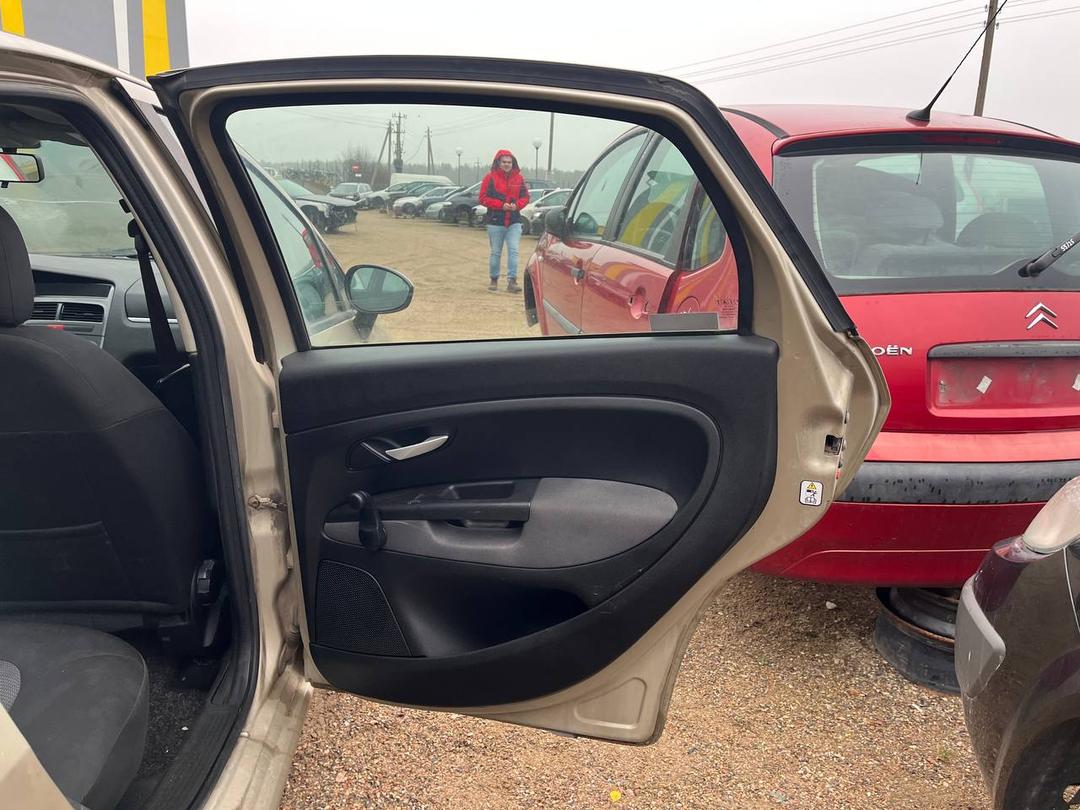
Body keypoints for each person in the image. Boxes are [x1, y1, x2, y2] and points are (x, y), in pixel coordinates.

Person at [478, 149, 530, 293]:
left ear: (513, 163)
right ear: (498, 163)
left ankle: (512, 281)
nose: (507, 164)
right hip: (495, 221)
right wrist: (500, 205)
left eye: (509, 162)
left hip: (514, 221)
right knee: (496, 252)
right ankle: (494, 279)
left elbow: (526, 197)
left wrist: (517, 205)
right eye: (504, 162)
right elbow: (482, 198)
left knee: (514, 250)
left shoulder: (519, 179)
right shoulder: (490, 178)